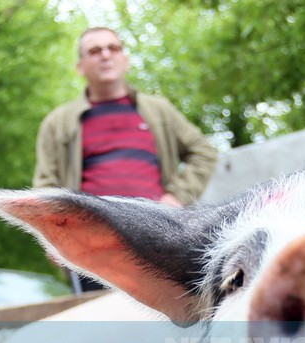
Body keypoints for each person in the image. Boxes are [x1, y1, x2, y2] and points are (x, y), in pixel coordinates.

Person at [33, 27, 219, 292]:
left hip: (157, 236)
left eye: (113, 48)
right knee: (100, 326)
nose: (105, 55)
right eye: (94, 51)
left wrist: (177, 195)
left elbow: (204, 152)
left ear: (125, 59)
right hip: (91, 244)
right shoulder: (58, 122)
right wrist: (52, 234)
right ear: (80, 66)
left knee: (169, 322)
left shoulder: (158, 110)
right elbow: (46, 185)